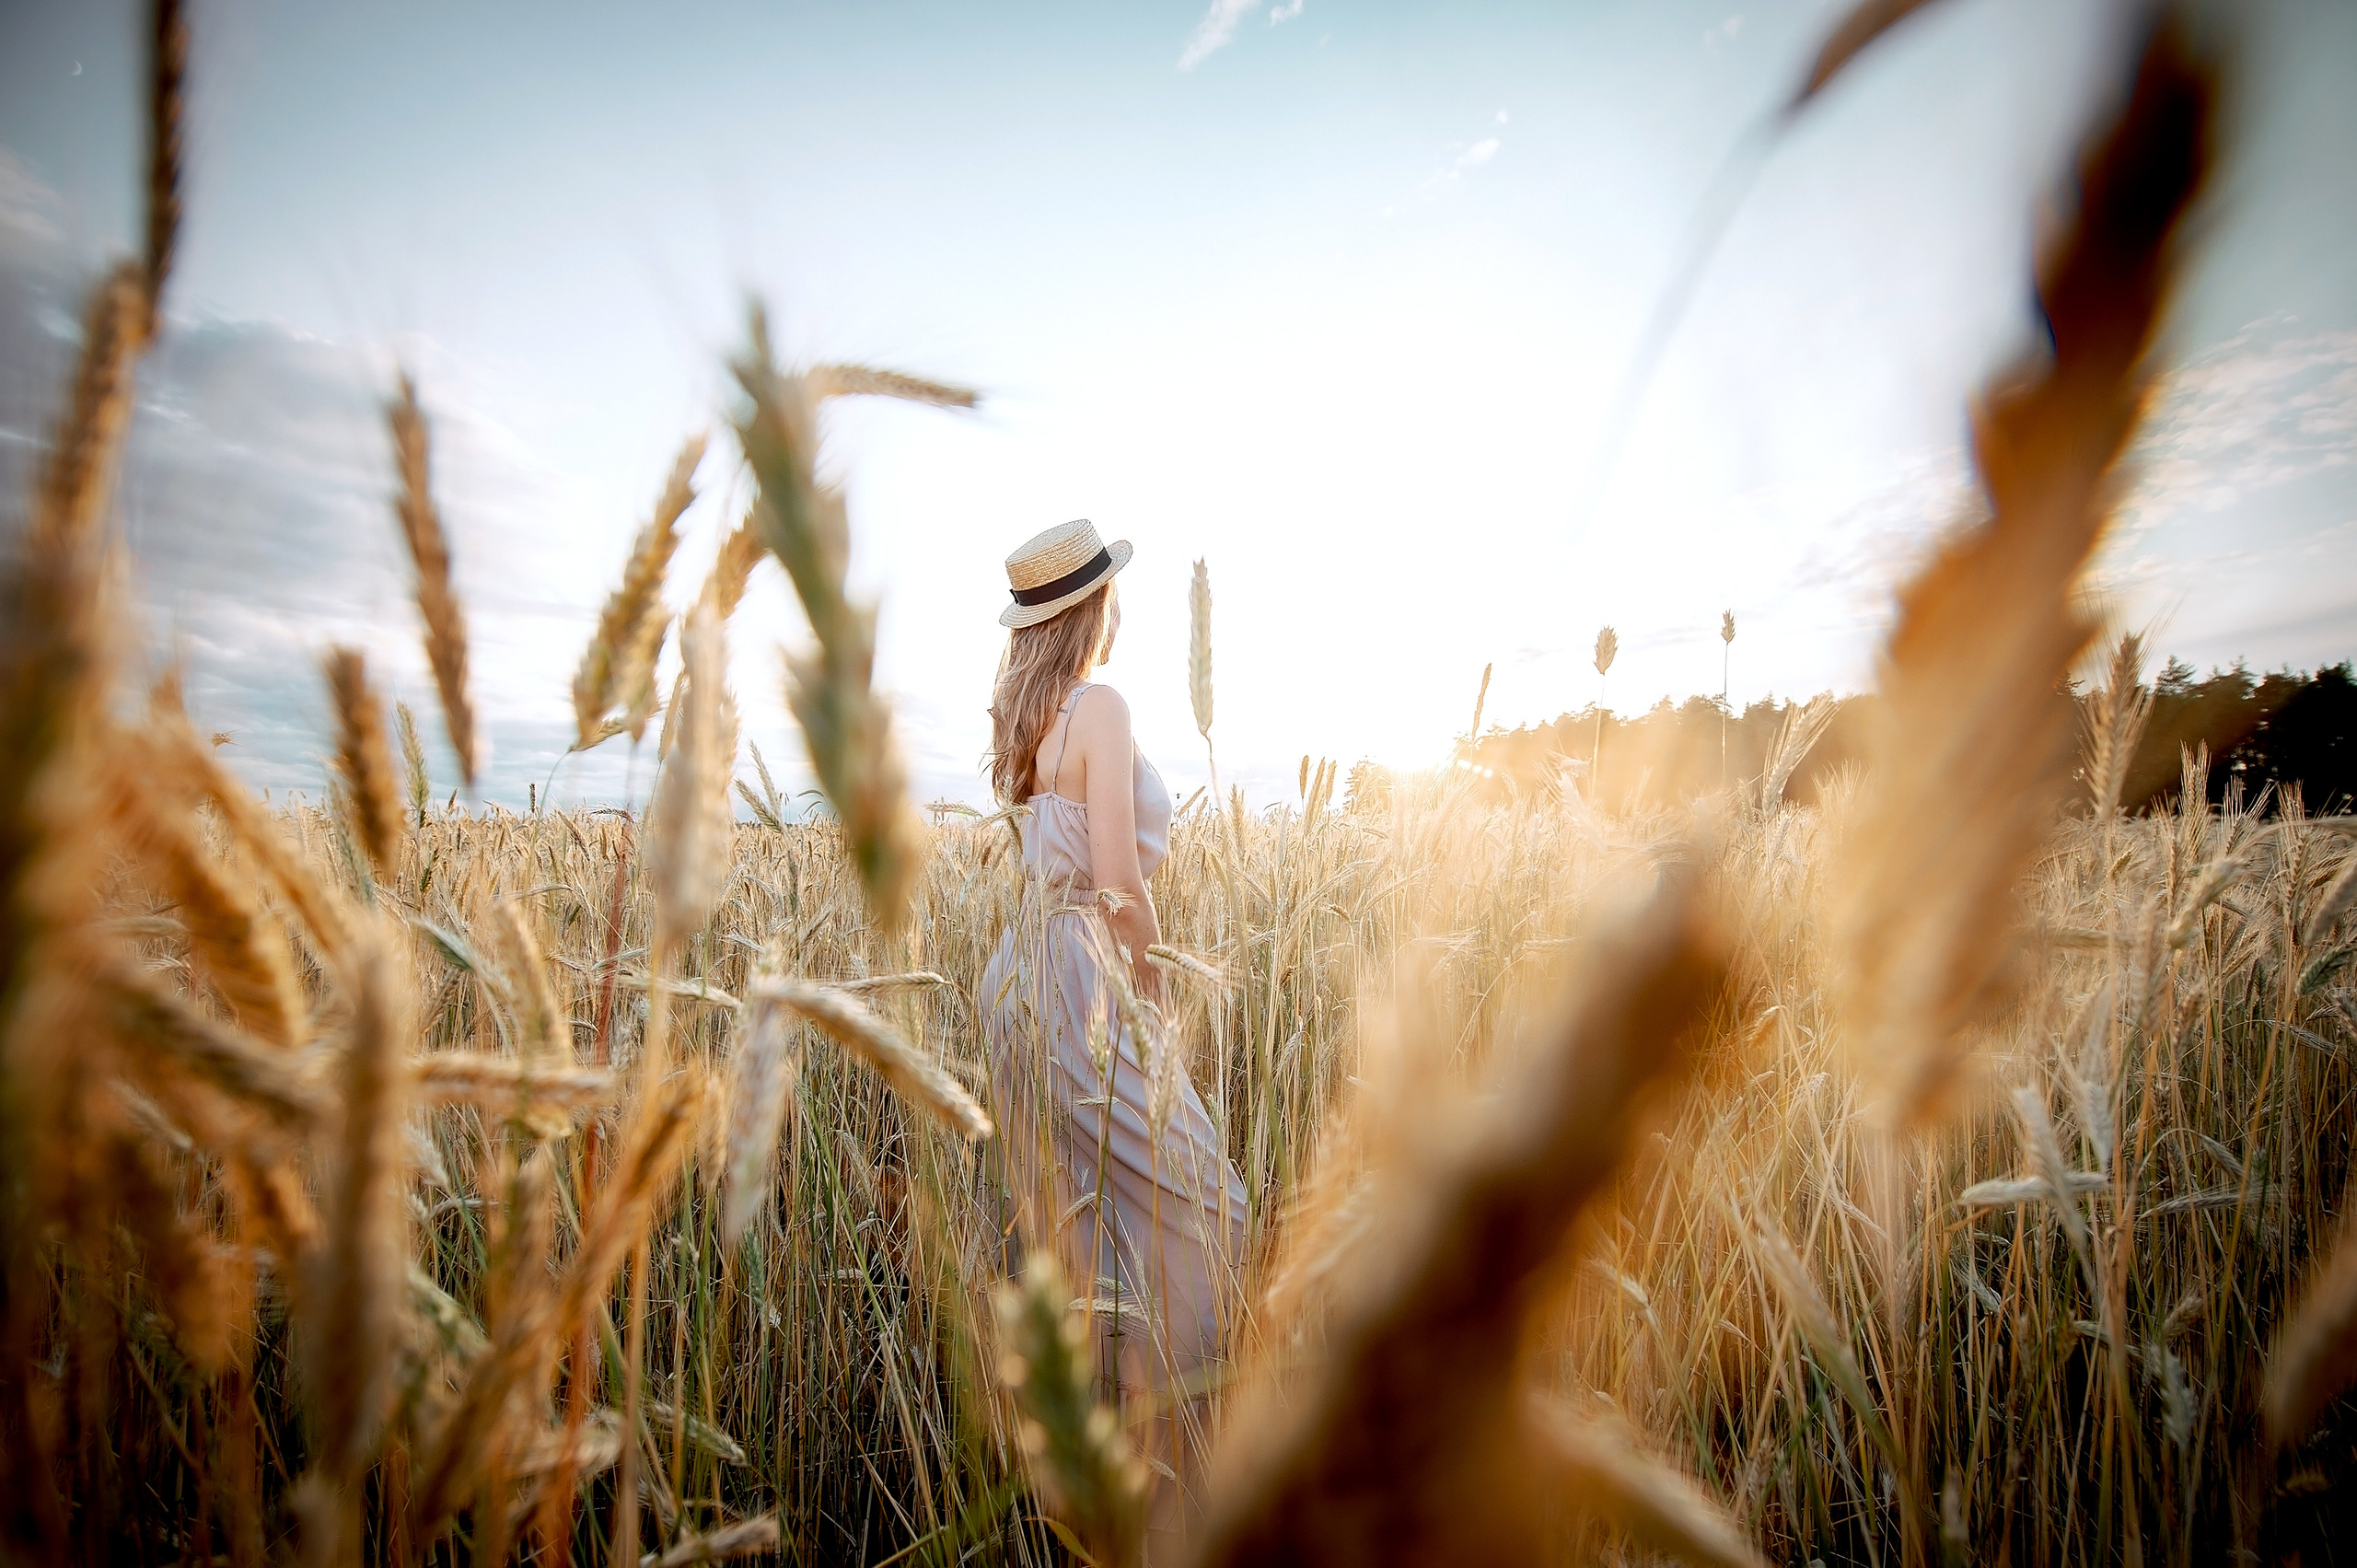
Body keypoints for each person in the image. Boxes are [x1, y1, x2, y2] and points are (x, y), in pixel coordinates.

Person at [977, 518, 1249, 1552]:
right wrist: (1156, 996)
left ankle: (1100, 1472)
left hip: (1022, 976)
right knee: (1201, 1203)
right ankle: (1174, 1480)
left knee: (1081, 1222)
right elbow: (1120, 886)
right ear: (1099, 605)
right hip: (1085, 977)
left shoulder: (1032, 715)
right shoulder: (1100, 703)